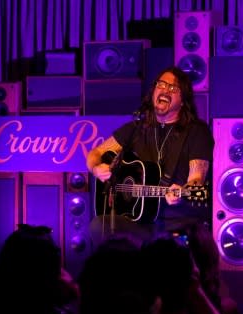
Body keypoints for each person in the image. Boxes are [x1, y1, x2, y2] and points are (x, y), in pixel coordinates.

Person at [86, 66, 214, 246]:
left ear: (183, 100)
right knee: (100, 225)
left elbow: (197, 179)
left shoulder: (196, 132)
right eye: (161, 84)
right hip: (140, 221)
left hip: (175, 223)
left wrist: (183, 190)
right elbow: (96, 153)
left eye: (173, 88)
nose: (164, 90)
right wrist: (96, 168)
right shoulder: (137, 129)